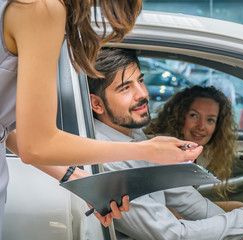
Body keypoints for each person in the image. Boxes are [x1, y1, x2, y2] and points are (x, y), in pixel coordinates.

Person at [0, 0, 202, 235]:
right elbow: (34, 145)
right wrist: (148, 150)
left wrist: (79, 179)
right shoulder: (42, 7)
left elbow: (12, 131)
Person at [88, 47, 243, 239]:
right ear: (97, 104)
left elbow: (188, 201)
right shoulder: (108, 162)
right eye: (126, 88)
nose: (143, 94)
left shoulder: (133, 135)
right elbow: (174, 235)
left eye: (141, 80)